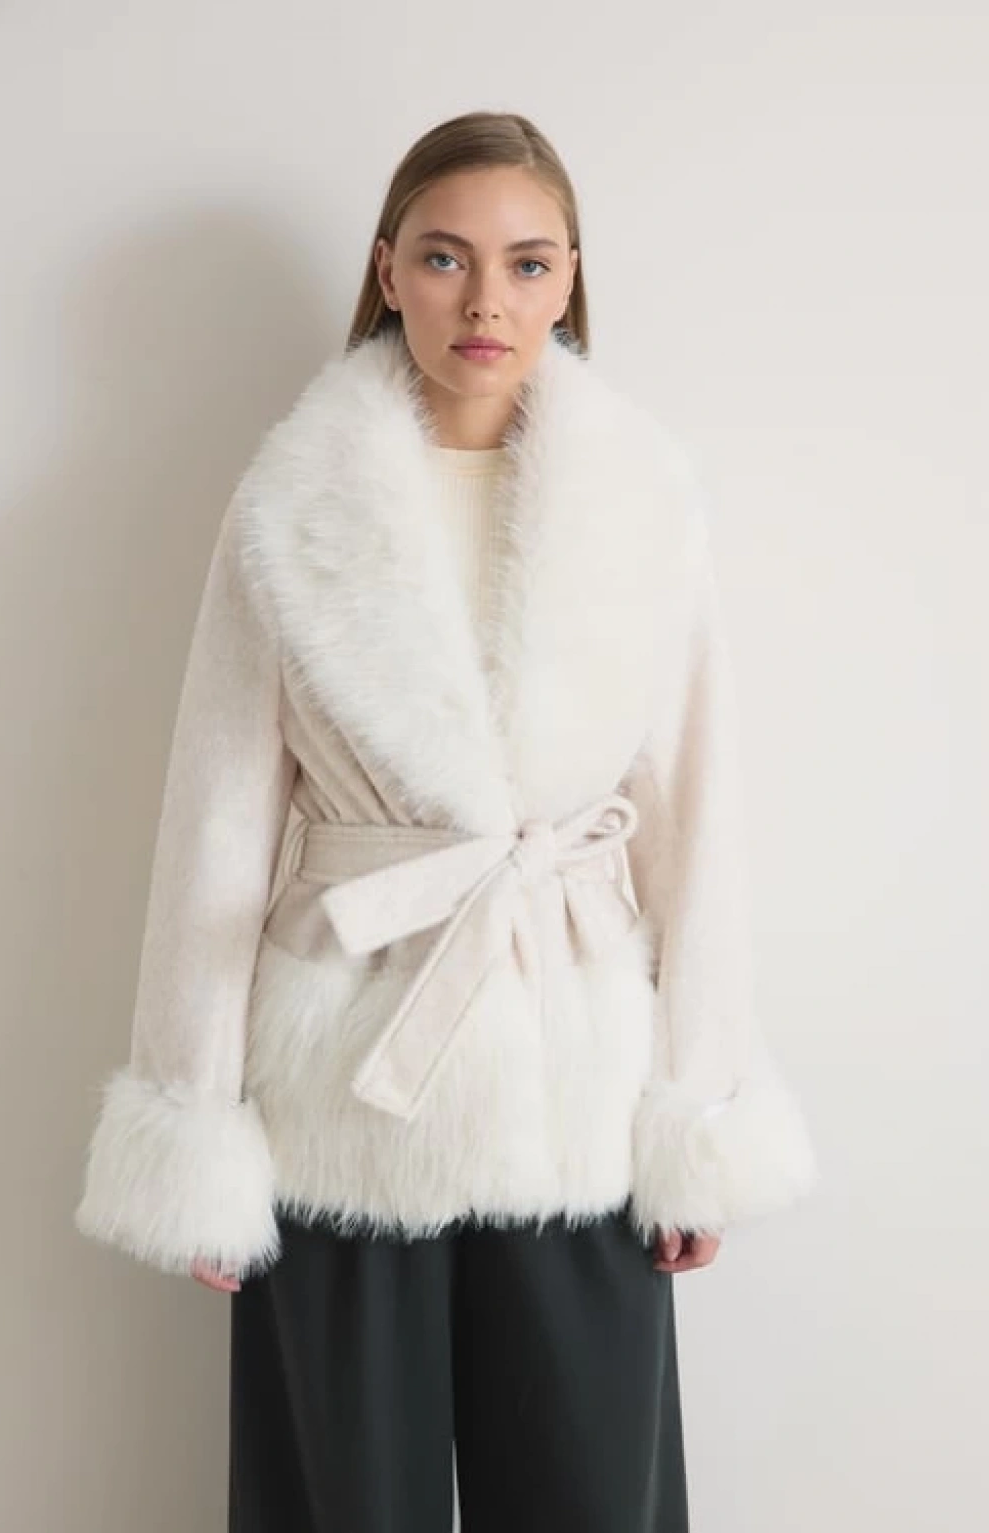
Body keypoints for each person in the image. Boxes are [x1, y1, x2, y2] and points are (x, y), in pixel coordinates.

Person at [74, 110, 819, 1531]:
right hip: (344, 1085)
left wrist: (703, 1105)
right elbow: (215, 824)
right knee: (345, 1503)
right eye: (444, 257)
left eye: (528, 263)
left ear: (570, 277)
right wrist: (195, 1122)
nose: (487, 300)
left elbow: (694, 827)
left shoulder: (643, 504)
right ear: (388, 270)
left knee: (593, 1499)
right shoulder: (290, 505)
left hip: (578, 1091)